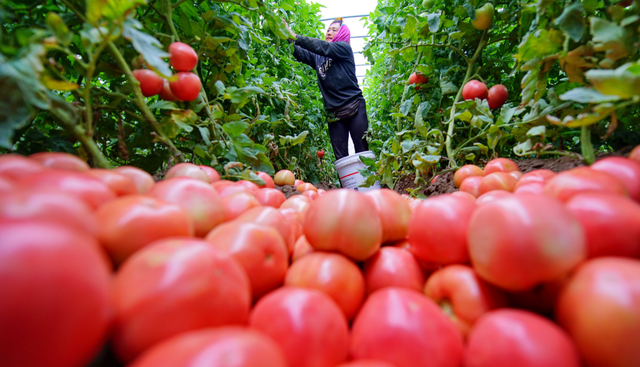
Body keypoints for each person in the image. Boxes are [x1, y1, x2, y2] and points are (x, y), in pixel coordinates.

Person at [286, 17, 369, 161]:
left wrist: (294, 35)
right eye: (328, 30)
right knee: (341, 159)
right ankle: (346, 184)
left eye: (334, 30)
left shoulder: (344, 48)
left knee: (363, 152)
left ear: (342, 34)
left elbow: (323, 47)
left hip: (355, 107)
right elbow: (299, 52)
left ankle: (369, 183)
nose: (329, 32)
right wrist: (284, 35)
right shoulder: (318, 58)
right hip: (334, 113)